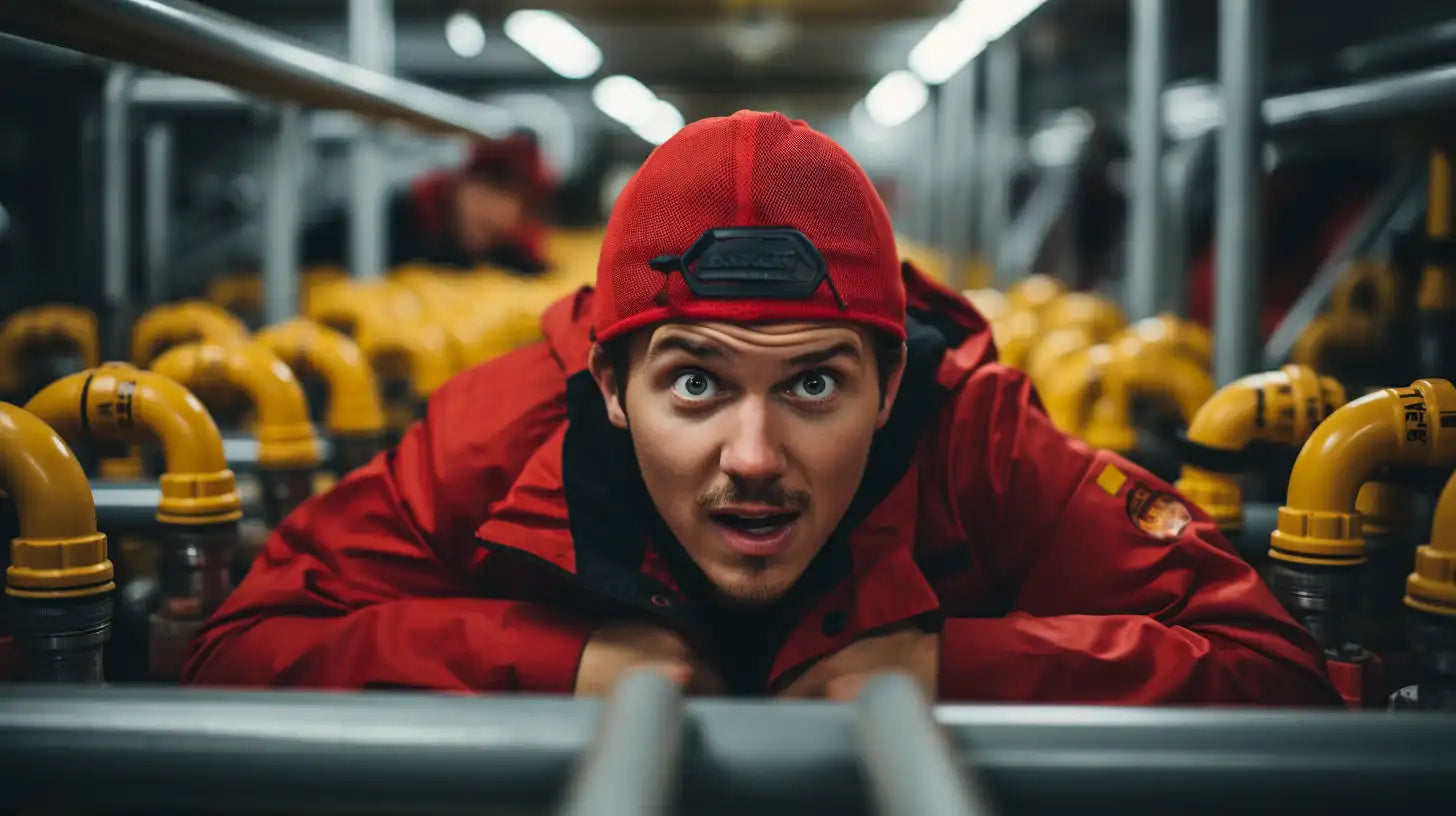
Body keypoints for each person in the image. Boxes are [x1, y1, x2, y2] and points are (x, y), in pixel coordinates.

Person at [183, 111, 1340, 704]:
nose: (752, 456)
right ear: (608, 387)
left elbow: (1277, 675)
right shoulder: (498, 438)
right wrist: (545, 661)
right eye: (694, 381)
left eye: (813, 385)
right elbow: (234, 649)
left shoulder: (979, 443)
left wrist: (959, 669)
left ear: (894, 385)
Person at [299, 132, 552, 275]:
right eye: (491, 190)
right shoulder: (388, 221)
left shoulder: (508, 254)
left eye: (516, 201)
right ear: (462, 181)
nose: (497, 212)